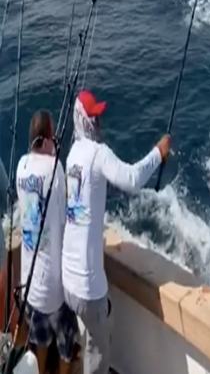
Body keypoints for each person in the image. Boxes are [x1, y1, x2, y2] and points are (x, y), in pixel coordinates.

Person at [62, 90, 171, 374]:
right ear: (83, 120)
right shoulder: (98, 153)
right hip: (87, 286)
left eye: (99, 116)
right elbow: (132, 180)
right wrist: (158, 153)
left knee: (89, 338)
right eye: (93, 117)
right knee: (99, 353)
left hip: (67, 278)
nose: (98, 123)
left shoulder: (72, 155)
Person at [16, 110, 79, 374]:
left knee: (40, 344)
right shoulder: (56, 168)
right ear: (43, 141)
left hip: (29, 291)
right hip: (54, 292)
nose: (56, 143)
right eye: (53, 138)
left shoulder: (21, 166)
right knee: (67, 346)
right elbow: (66, 218)